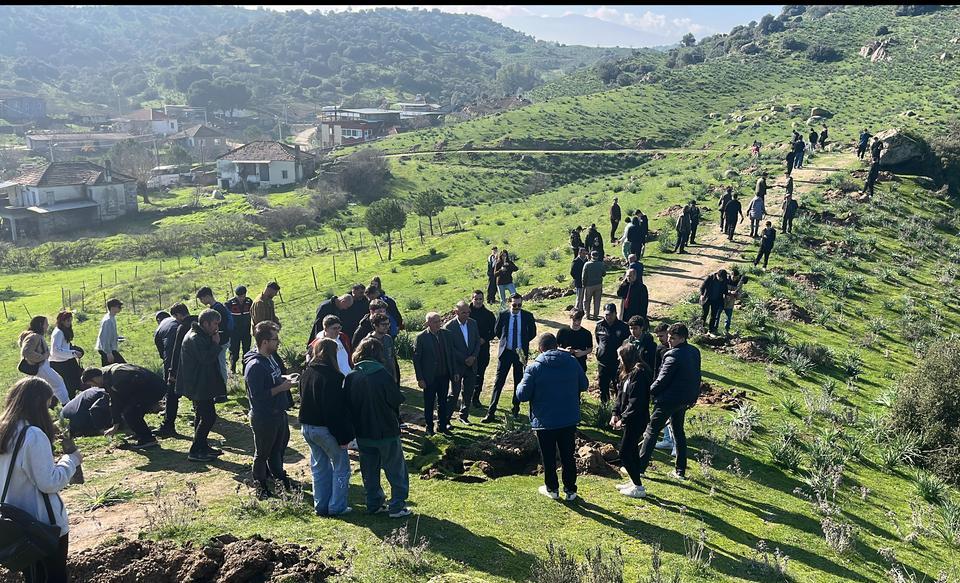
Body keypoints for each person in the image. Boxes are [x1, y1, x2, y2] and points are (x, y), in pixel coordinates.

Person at [0, 377, 82, 583]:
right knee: (53, 577)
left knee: (34, 577)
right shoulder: (33, 435)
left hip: (13, 523)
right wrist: (70, 460)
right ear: (37, 404)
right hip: (42, 525)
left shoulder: (4, 431)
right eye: (46, 406)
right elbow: (49, 482)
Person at [517, 333, 587, 502]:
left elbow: (522, 395)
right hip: (568, 418)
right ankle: (571, 490)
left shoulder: (534, 367)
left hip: (544, 420)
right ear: (556, 346)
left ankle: (552, 488)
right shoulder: (571, 362)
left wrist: (523, 380)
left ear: (540, 348)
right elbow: (584, 384)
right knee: (568, 455)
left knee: (548, 456)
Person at [345, 337, 411, 518]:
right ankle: (397, 506)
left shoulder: (352, 376)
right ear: (378, 354)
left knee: (369, 470)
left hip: (363, 432)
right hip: (386, 431)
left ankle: (373, 503)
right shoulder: (383, 374)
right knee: (396, 469)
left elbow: (348, 404)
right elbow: (395, 400)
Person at [633, 323, 702, 494]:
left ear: (683, 338)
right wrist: (693, 397)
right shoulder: (694, 351)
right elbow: (697, 377)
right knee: (678, 432)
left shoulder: (673, 355)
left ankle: (640, 468)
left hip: (668, 400)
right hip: (684, 400)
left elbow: (662, 380)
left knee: (651, 431)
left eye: (673, 338)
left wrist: (646, 392)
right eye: (669, 337)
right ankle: (680, 471)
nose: (669, 341)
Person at [299, 338, 354, 516]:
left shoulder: (307, 372)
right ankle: (337, 506)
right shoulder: (334, 377)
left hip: (307, 427)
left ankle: (321, 506)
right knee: (341, 466)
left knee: (319, 467)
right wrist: (344, 438)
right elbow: (334, 411)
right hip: (325, 429)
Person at [244, 321, 295, 499]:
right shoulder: (255, 366)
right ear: (264, 342)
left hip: (278, 413)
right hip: (264, 417)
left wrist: (284, 378)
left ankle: (280, 480)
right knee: (262, 454)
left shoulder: (270, 359)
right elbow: (257, 395)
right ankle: (261, 487)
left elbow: (272, 379)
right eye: (274, 339)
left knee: (277, 450)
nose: (278, 342)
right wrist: (282, 388)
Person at [176, 308, 226, 463]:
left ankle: (202, 447)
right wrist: (216, 345)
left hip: (202, 383)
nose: (216, 328)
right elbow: (205, 359)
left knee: (201, 415)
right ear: (205, 323)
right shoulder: (195, 338)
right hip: (198, 384)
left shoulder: (202, 335)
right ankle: (196, 450)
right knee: (209, 417)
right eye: (214, 324)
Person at [79, 364, 166, 449]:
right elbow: (114, 401)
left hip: (153, 387)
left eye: (92, 384)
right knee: (129, 410)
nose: (94, 386)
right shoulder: (107, 376)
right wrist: (115, 425)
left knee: (130, 412)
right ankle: (139, 433)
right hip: (145, 387)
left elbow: (138, 380)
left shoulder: (117, 376)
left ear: (95, 378)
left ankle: (147, 439)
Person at [482, 294, 536, 423]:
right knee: (498, 382)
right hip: (506, 352)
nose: (517, 307)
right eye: (514, 305)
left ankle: (516, 408)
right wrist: (506, 342)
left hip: (520, 353)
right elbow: (497, 331)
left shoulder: (527, 316)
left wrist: (522, 343)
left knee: (519, 380)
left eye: (519, 305)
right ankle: (491, 411)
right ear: (509, 303)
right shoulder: (503, 315)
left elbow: (532, 333)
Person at [610, 343, 653, 498]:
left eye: (620, 357)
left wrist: (624, 418)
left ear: (626, 357)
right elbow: (621, 394)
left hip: (637, 419)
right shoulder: (627, 372)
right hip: (630, 418)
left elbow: (637, 401)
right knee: (632, 451)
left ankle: (639, 488)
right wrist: (615, 413)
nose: (618, 360)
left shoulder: (639, 373)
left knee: (625, 453)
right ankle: (634, 482)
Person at [413, 312, 456, 436]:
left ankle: (442, 426)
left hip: (444, 375)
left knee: (443, 402)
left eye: (439, 321)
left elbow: (451, 355)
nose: (439, 324)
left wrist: (454, 372)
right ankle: (429, 427)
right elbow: (417, 360)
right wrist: (420, 378)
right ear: (428, 323)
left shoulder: (446, 335)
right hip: (429, 377)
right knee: (429, 403)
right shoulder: (421, 337)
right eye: (435, 322)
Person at [155, 303, 192, 438]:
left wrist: (172, 371)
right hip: (196, 366)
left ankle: (168, 425)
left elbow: (174, 352)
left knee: (171, 395)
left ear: (178, 315)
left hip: (177, 365)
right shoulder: (199, 322)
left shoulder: (181, 327)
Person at [18, 316, 69, 406]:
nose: (48, 325)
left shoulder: (34, 335)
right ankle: (67, 405)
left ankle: (50, 405)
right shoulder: (34, 336)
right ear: (40, 325)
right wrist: (42, 356)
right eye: (46, 323)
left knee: (43, 388)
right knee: (58, 383)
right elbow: (26, 352)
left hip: (39, 367)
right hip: (40, 367)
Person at [444, 302, 480, 427]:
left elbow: (477, 342)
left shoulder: (473, 323)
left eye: (468, 312)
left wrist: (473, 357)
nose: (467, 315)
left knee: (468, 391)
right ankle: (446, 419)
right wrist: (465, 358)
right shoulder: (449, 327)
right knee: (454, 393)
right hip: (457, 366)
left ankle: (464, 416)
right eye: (464, 312)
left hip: (471, 364)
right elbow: (450, 349)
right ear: (456, 312)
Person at [594, 303, 630, 404]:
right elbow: (598, 340)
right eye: (605, 314)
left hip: (617, 363)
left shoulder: (623, 327)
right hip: (603, 362)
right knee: (603, 387)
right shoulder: (599, 325)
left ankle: (619, 408)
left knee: (618, 386)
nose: (607, 317)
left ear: (615, 313)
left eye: (609, 314)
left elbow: (627, 344)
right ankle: (605, 407)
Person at [197, 287, 232, 384]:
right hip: (220, 340)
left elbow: (221, 327)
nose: (201, 301)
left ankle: (223, 389)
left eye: (201, 299)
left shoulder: (217, 309)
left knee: (221, 365)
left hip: (221, 341)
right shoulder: (217, 307)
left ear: (207, 296)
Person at [469, 290, 496, 408]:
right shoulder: (466, 313)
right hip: (467, 350)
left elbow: (494, 331)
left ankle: (475, 398)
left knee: (479, 375)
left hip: (482, 349)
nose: (478, 301)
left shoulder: (488, 315)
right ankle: (465, 398)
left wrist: (485, 339)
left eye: (480, 299)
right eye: (476, 299)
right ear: (472, 299)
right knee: (467, 375)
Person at [49, 311, 84, 400]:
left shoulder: (64, 330)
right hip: (59, 362)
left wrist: (74, 350)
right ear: (62, 321)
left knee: (76, 378)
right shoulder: (58, 332)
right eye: (67, 321)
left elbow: (65, 346)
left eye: (70, 320)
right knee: (70, 383)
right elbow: (55, 351)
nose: (69, 323)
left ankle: (73, 399)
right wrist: (73, 353)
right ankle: (67, 401)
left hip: (66, 359)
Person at [651, 322, 675, 451]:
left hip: (673, 387)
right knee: (662, 415)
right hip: (661, 385)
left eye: (662, 335)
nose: (660, 338)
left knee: (672, 416)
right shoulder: (659, 348)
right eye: (658, 336)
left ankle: (675, 443)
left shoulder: (677, 349)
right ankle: (667, 439)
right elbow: (656, 368)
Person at [226, 285, 253, 375]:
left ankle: (245, 369)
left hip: (246, 331)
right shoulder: (229, 303)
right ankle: (232, 369)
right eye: (239, 296)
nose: (241, 298)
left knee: (246, 351)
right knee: (234, 351)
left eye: (243, 296)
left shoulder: (249, 302)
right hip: (234, 332)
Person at [367, 313, 400, 383]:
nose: (387, 327)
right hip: (375, 379)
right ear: (375, 325)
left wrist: (394, 375)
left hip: (389, 376)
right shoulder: (368, 342)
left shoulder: (388, 338)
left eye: (388, 324)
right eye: (383, 325)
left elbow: (391, 358)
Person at [95, 298, 125, 366]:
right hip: (107, 350)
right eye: (119, 306)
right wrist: (108, 353)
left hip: (108, 349)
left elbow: (109, 335)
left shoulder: (112, 317)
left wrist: (117, 338)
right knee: (122, 367)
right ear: (112, 308)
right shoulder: (108, 320)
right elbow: (104, 338)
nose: (120, 308)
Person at [700, 269, 729, 335]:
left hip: (717, 300)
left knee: (714, 316)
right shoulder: (710, 278)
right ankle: (701, 328)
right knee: (704, 314)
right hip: (707, 298)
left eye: (723, 279)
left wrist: (727, 295)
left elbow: (725, 289)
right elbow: (702, 287)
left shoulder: (724, 280)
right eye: (721, 279)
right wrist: (702, 295)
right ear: (717, 276)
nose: (721, 280)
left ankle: (711, 330)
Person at [581, 249, 607, 320]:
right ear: (598, 256)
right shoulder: (601, 264)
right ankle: (596, 315)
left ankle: (587, 315)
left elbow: (584, 276)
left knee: (586, 300)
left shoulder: (587, 264)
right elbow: (604, 274)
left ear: (591, 256)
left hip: (589, 285)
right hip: (598, 284)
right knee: (597, 301)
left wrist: (583, 284)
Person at [723, 267, 747, 335]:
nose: (734, 279)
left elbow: (739, 296)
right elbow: (721, 289)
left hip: (730, 302)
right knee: (717, 315)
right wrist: (730, 292)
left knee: (728, 317)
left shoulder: (739, 284)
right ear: (730, 275)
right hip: (722, 300)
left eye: (735, 277)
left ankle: (726, 330)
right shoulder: (725, 280)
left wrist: (736, 294)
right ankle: (715, 329)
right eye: (733, 277)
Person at [570, 246, 588, 313]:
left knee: (585, 297)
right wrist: (577, 278)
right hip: (579, 282)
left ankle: (582, 309)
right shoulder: (576, 261)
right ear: (579, 253)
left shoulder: (586, 260)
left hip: (586, 282)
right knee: (579, 297)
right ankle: (577, 310)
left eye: (585, 253)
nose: (585, 255)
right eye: (583, 253)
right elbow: (572, 272)